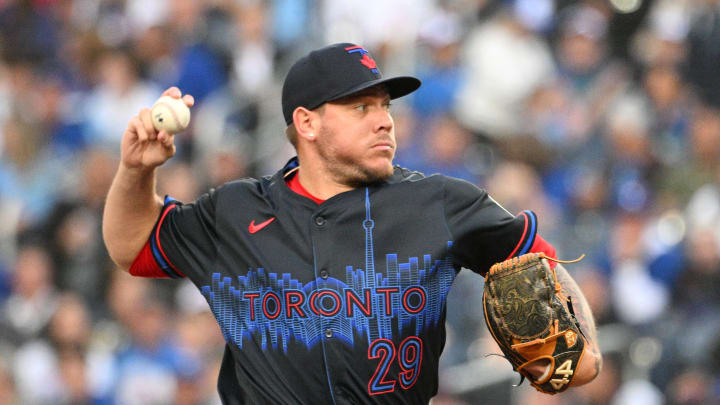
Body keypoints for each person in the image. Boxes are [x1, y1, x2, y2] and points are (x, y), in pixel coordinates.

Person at [103, 43, 602, 404]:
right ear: (307, 123)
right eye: (361, 107)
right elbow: (131, 247)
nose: (384, 120)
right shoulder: (236, 212)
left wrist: (586, 352)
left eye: (385, 106)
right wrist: (136, 169)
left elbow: (540, 257)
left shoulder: (441, 203)